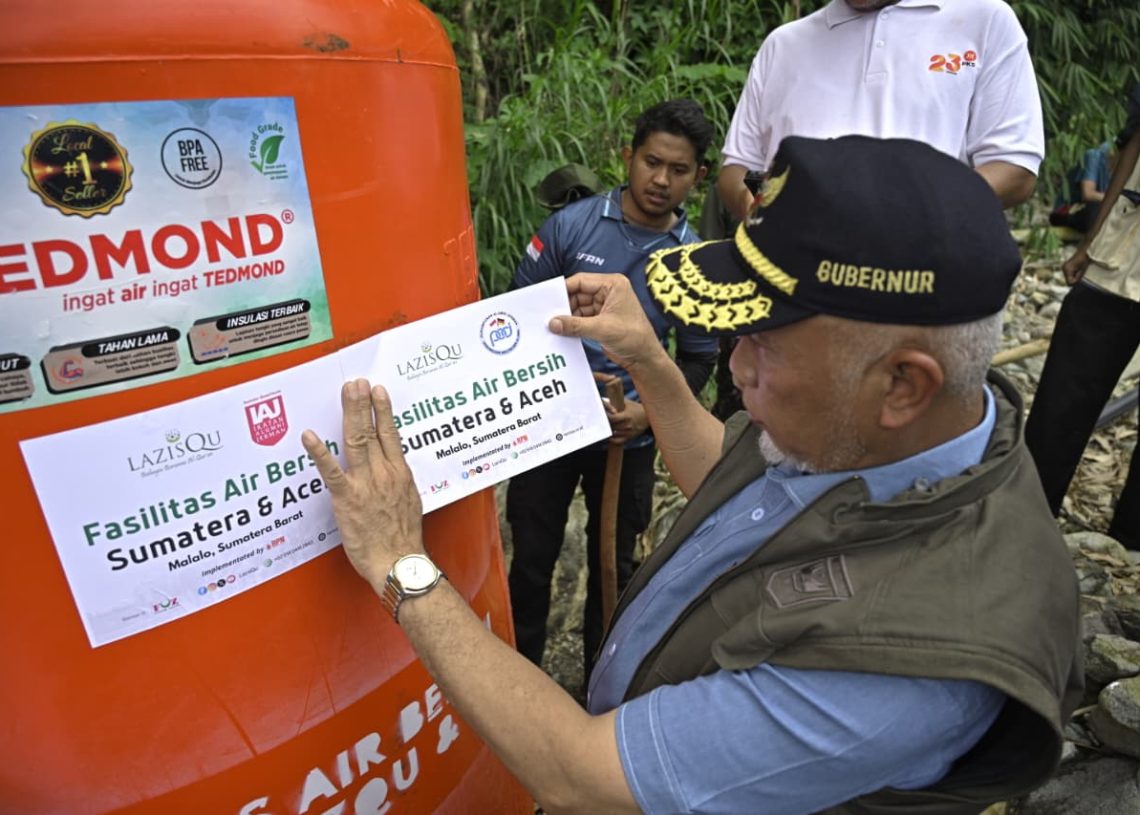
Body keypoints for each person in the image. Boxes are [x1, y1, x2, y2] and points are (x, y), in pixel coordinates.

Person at [302, 135, 1081, 814]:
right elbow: (740, 493)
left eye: (765, 345)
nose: (736, 368)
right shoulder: (880, 439)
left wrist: (400, 560)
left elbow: (578, 774)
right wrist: (647, 358)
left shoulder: (909, 665)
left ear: (903, 386)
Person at [506, 99, 719, 676]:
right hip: (546, 428)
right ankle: (519, 677)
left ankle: (600, 689)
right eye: (652, 162)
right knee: (530, 558)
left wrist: (648, 417)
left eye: (678, 170)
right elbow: (512, 321)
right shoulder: (570, 228)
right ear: (628, 156)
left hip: (629, 440)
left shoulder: (693, 261)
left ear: (698, 177)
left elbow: (700, 358)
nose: (660, 180)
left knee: (617, 567)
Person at [717, 0, 1045, 221]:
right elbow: (739, 167)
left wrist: (911, 218)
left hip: (925, 280)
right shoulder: (784, 44)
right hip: (790, 281)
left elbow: (1014, 168)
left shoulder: (984, 18)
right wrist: (765, 205)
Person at [1026, 83, 1140, 549]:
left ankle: (1130, 544)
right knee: (1063, 396)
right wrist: (1091, 239)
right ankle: (1026, 513)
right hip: (1123, 253)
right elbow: (1134, 145)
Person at [1048, 141, 1114, 234]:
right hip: (1068, 211)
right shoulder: (1094, 156)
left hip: (1093, 210)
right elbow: (1088, 194)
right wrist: (1117, 198)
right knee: (1097, 209)